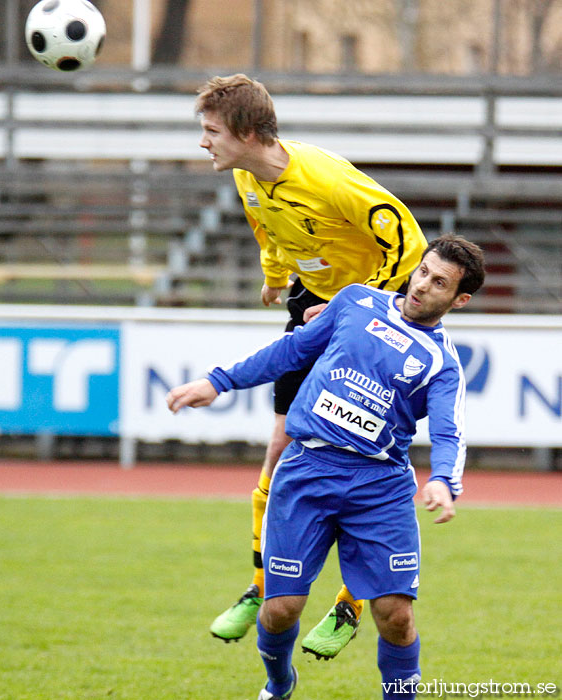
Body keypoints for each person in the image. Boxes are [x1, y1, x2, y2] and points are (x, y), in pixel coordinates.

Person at [166, 234, 485, 700]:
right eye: (422, 271)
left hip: (379, 487)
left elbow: (449, 430)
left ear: (459, 300)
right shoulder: (357, 301)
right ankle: (279, 683)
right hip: (307, 470)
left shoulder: (442, 364)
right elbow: (292, 351)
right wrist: (220, 381)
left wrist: (441, 479)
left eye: (439, 283)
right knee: (281, 610)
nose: (421, 286)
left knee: (396, 615)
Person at [194, 73, 428, 658]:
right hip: (310, 309)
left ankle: (354, 601)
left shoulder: (327, 179)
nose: (203, 143)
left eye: (211, 131)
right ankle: (262, 587)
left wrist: (366, 303)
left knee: (369, 456)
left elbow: (409, 241)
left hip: (378, 322)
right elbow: (267, 229)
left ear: (248, 132)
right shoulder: (249, 177)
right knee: (279, 449)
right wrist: (277, 279)